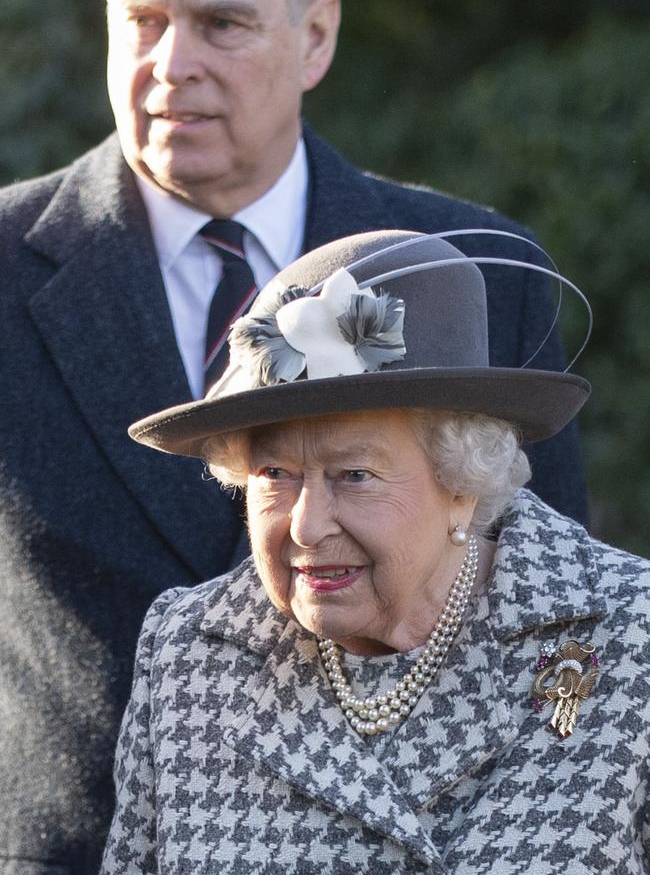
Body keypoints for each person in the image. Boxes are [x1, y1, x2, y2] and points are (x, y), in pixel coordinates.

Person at [0, 0, 586, 872]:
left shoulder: (476, 267)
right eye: (140, 21)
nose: (168, 65)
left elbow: (551, 618)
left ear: (316, 36)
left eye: (220, 23)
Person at [100, 229, 648, 874]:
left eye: (353, 475)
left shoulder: (628, 636)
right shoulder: (189, 652)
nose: (306, 526)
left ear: (463, 484)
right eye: (274, 474)